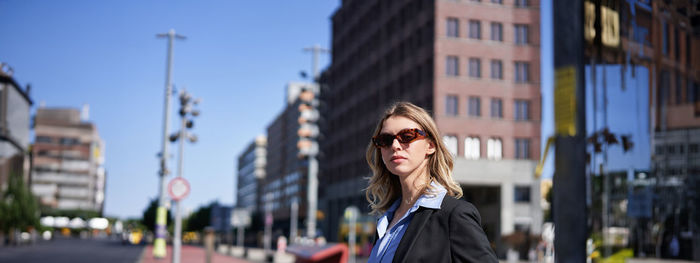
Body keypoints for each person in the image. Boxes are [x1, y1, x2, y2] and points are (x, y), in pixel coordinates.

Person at [365, 102, 497, 263]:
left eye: (406, 136)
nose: (395, 145)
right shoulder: (385, 221)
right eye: (385, 140)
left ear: (431, 145)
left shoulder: (454, 215)